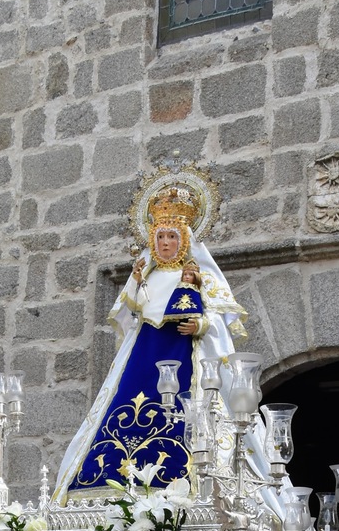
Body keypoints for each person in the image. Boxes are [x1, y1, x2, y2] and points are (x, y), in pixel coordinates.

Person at [53, 179, 248, 501]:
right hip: (144, 356)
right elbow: (131, 314)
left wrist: (199, 324)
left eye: (172, 236)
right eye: (160, 236)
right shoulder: (145, 275)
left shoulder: (200, 277)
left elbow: (219, 321)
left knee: (188, 420)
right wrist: (137, 281)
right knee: (122, 408)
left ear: (184, 240)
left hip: (185, 354)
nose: (165, 243)